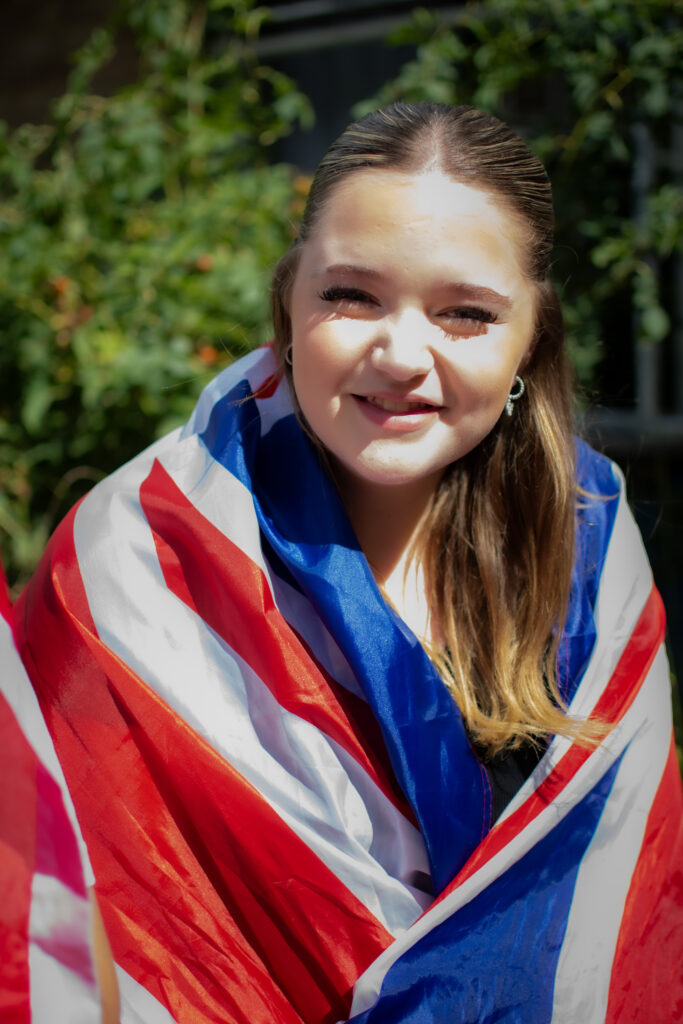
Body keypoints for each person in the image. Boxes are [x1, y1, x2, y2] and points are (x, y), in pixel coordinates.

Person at [9, 102, 683, 1022]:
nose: (400, 354)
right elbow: (61, 919)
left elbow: (627, 924)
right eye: (351, 296)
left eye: (465, 313)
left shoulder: (590, 547)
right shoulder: (130, 564)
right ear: (289, 300)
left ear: (530, 336)